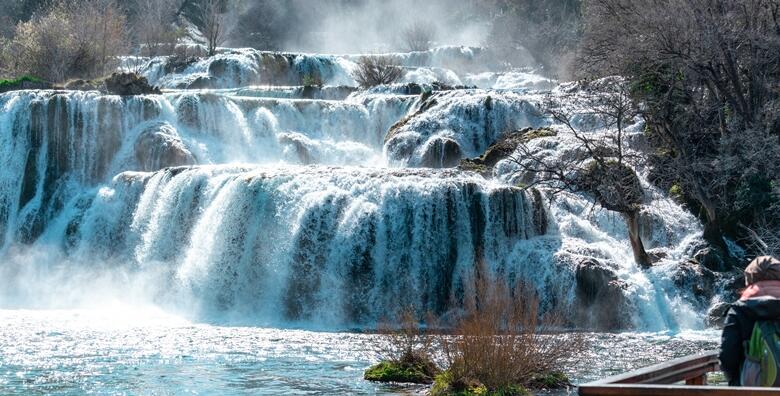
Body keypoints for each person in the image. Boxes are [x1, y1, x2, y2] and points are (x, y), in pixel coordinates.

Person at [719, 256, 780, 386]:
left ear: (749, 279)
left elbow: (727, 356)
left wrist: (736, 382)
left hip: (750, 389)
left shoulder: (739, 310)